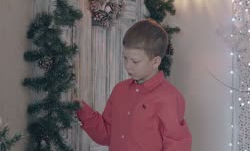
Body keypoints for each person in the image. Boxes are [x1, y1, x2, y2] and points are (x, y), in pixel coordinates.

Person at [75, 19, 192, 150]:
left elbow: (177, 145)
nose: (127, 66)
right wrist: (83, 111)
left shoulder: (170, 98)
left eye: (135, 61)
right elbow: (107, 134)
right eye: (125, 58)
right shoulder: (120, 90)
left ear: (155, 62)